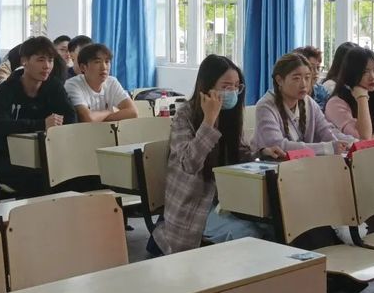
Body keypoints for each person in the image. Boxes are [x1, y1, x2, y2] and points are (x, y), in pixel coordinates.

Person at [150, 55, 284, 255]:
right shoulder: (185, 115)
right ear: (207, 87)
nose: (232, 92)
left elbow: (238, 152)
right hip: (194, 206)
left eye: (237, 86)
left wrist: (261, 152)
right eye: (226, 86)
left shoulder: (230, 114)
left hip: (228, 199)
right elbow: (189, 163)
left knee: (275, 227)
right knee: (248, 234)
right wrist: (209, 120)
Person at [0, 36, 77, 197]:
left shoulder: (54, 87)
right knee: (42, 180)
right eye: (41, 60)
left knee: (81, 175)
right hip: (9, 156)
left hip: (47, 154)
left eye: (50, 60)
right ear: (24, 61)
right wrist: (42, 124)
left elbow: (70, 117)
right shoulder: (5, 90)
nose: (47, 66)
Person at [251, 53, 351, 156]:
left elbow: (326, 131)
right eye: (296, 78)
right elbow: (279, 146)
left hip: (303, 163)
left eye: (307, 78)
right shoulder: (266, 107)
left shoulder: (309, 103)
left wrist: (351, 143)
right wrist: (327, 148)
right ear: (279, 80)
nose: (304, 84)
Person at [325, 47, 374, 144]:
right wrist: (362, 98)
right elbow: (363, 138)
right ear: (351, 74)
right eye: (365, 72)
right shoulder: (336, 103)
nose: (373, 77)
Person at [64, 43, 138, 123]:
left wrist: (100, 118)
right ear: (83, 67)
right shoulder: (72, 85)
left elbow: (133, 112)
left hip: (107, 130)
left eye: (107, 62)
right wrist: (108, 112)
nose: (104, 67)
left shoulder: (112, 82)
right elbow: (87, 118)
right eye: (97, 62)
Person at [292, 45, 330, 111]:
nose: (316, 72)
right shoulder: (291, 93)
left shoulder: (321, 90)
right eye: (311, 68)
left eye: (318, 68)